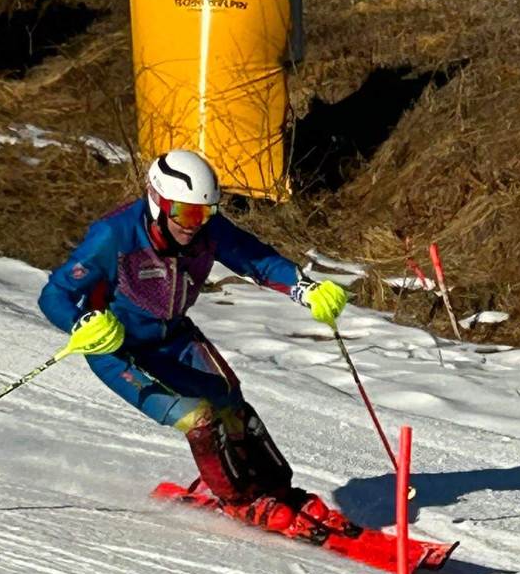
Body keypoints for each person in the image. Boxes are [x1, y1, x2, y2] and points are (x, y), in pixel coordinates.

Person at [38, 150, 351, 537]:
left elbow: (256, 259)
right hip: (119, 351)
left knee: (232, 404)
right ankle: (239, 501)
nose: (195, 225)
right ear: (158, 201)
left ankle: (279, 491)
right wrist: (80, 322)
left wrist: (305, 289)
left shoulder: (206, 229)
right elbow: (55, 294)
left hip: (173, 338)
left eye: (205, 213)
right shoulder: (114, 235)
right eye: (186, 214)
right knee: (200, 419)